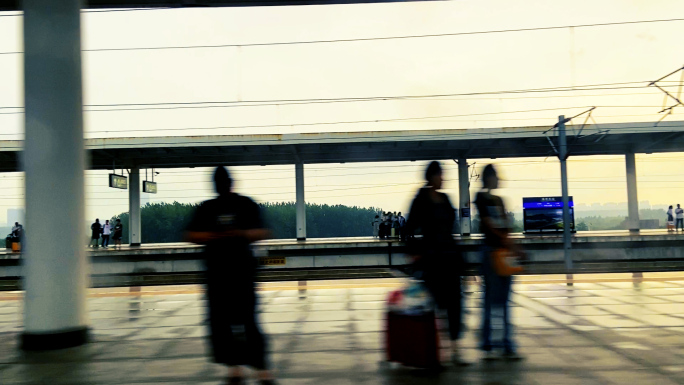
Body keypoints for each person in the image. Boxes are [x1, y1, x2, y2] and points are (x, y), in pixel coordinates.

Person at [185, 166, 275, 385]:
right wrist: (237, 235)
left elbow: (189, 234)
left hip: (222, 275)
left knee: (224, 323)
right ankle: (260, 371)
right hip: (239, 273)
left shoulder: (208, 208)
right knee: (247, 321)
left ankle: (236, 370)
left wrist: (218, 236)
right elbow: (263, 231)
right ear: (231, 182)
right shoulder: (245, 204)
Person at [405, 161, 468, 365]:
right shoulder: (421, 199)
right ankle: (433, 349)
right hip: (431, 261)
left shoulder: (446, 199)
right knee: (433, 307)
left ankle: (454, 348)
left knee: (454, 305)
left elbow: (451, 231)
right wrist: (414, 253)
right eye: (440, 175)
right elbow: (409, 228)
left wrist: (461, 261)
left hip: (449, 259)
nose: (443, 178)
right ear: (431, 176)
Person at [474, 164, 523, 361]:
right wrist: (509, 243)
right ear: (488, 178)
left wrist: (510, 243)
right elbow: (490, 224)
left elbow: (504, 225)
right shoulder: (481, 198)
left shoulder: (500, 200)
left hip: (501, 251)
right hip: (493, 251)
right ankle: (492, 342)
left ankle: (502, 342)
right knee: (493, 299)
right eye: (495, 176)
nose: (498, 179)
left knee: (502, 299)